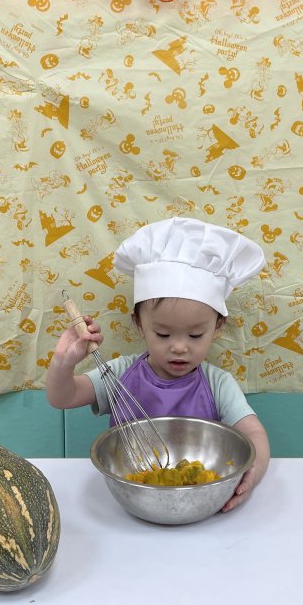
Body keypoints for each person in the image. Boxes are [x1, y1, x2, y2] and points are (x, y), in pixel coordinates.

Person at [46, 216, 270, 512]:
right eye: (163, 334)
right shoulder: (120, 374)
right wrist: (64, 362)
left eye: (195, 335)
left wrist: (253, 472)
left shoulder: (218, 384)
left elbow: (254, 434)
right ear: (139, 324)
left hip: (203, 503)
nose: (179, 347)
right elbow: (62, 397)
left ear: (216, 328)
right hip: (132, 495)